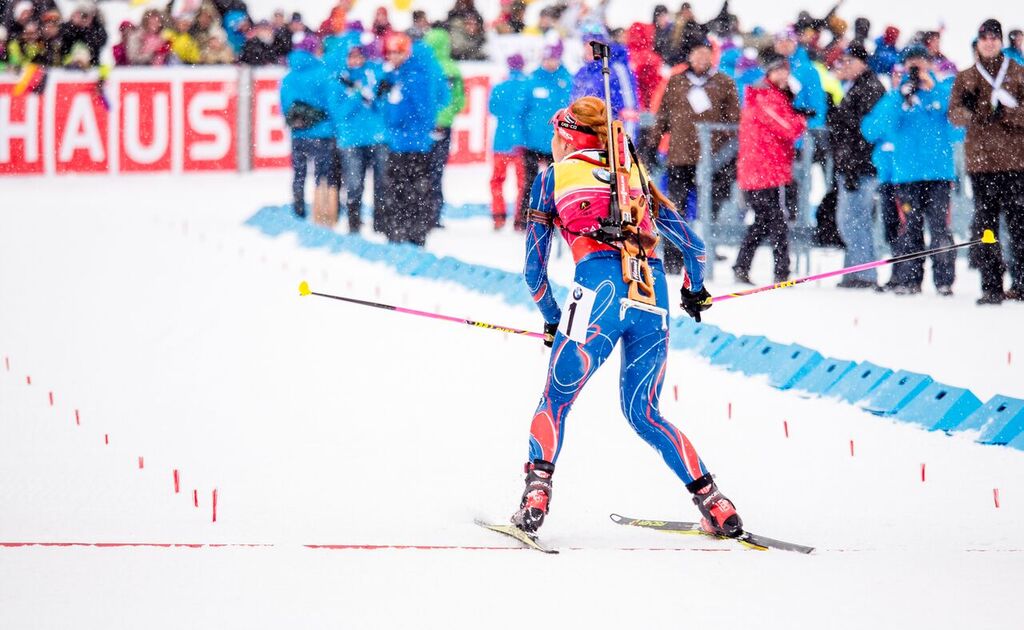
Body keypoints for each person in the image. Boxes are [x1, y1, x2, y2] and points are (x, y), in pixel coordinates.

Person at [512, 95, 743, 540]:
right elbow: (694, 247)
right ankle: (716, 503)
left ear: (565, 137)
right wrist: (693, 292)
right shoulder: (631, 177)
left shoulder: (552, 177)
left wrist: (554, 318)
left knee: (555, 401)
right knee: (645, 413)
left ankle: (536, 493)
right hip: (650, 298)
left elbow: (533, 271)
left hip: (594, 297)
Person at [862, 45, 960, 296]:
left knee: (940, 229)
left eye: (921, 63)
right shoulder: (896, 96)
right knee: (909, 229)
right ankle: (910, 279)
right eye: (911, 64)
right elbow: (871, 130)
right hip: (906, 176)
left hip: (939, 174)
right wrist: (898, 97)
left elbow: (958, 130)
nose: (916, 69)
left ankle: (944, 281)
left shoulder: (943, 92)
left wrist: (934, 91)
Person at [949, 19, 1024, 304]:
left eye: (994, 37)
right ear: (978, 42)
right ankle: (991, 286)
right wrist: (974, 113)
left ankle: (1021, 283)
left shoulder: (1018, 73)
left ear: (1001, 41)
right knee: (987, 227)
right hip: (982, 165)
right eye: (985, 38)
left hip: (1016, 162)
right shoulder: (966, 77)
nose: (990, 42)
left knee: (1019, 226)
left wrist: (1008, 112)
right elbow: (954, 115)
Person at [655, 30, 739, 274]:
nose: (703, 59)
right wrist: (652, 143)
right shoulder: (677, 81)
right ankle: (672, 261)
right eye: (698, 54)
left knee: (710, 209)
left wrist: (721, 139)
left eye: (707, 54)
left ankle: (703, 257)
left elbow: (734, 120)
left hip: (712, 159)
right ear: (689, 57)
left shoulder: (724, 82)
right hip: (680, 156)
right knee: (675, 209)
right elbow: (663, 115)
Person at [733, 50, 807, 285]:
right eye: (778, 70)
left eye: (785, 70)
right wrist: (801, 118)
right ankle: (780, 272)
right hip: (761, 170)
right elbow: (788, 128)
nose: (783, 75)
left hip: (765, 170)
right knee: (775, 222)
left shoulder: (771, 95)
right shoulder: (764, 97)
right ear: (769, 73)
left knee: (766, 221)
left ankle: (744, 266)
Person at [828, 42, 886, 289]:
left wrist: (853, 163)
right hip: (850, 163)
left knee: (855, 219)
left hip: (861, 166)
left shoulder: (869, 87)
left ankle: (864, 273)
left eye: (849, 61)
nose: (845, 66)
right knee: (849, 220)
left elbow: (861, 131)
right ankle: (855, 270)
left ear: (862, 63)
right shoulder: (852, 87)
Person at [377, 32, 440, 246]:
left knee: (413, 189)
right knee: (399, 189)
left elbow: (424, 110)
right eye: (390, 52)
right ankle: (400, 231)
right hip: (399, 141)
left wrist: (399, 116)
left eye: (397, 52)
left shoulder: (415, 76)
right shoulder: (397, 75)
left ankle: (413, 233)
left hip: (413, 144)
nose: (393, 56)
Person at [280, 34, 339, 223]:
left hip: (299, 134)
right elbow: (332, 103)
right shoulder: (323, 73)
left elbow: (285, 105)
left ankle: (298, 208)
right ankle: (323, 212)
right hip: (323, 133)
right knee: (323, 174)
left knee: (299, 173)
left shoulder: (289, 77)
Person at [331, 42, 387, 234]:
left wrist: (375, 96)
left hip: (376, 137)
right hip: (351, 140)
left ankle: (380, 224)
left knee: (382, 183)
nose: (355, 60)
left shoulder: (374, 75)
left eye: (359, 56)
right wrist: (357, 96)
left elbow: (382, 105)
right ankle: (353, 222)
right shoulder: (339, 80)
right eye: (351, 56)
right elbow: (339, 112)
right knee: (354, 184)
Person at [518, 41, 572, 230]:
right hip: (532, 142)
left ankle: (556, 220)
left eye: (554, 58)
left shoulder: (567, 80)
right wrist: (521, 137)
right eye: (547, 58)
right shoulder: (532, 80)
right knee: (530, 183)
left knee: (557, 184)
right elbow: (521, 110)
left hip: (557, 142)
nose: (550, 63)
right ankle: (526, 219)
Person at [423, 29, 464, 229]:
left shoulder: (425, 68)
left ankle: (420, 211)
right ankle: (434, 214)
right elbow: (458, 101)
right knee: (437, 171)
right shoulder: (453, 69)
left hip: (424, 126)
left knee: (420, 169)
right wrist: (445, 116)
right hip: (445, 127)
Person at [488, 54, 528, 230]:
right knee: (523, 182)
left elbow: (492, 109)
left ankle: (498, 216)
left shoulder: (499, 87)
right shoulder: (528, 86)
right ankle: (520, 218)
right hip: (522, 142)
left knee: (497, 180)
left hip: (501, 142)